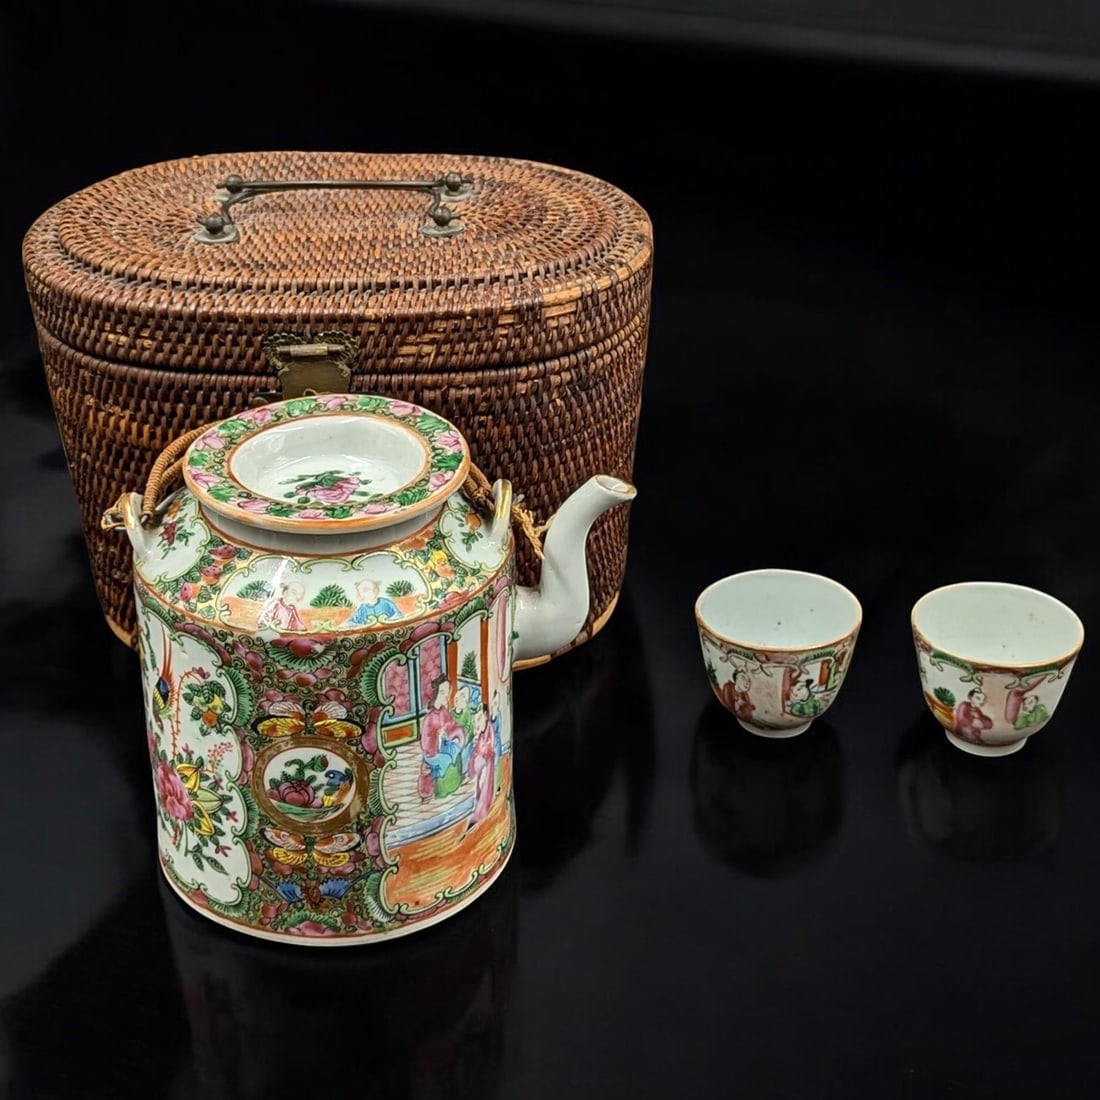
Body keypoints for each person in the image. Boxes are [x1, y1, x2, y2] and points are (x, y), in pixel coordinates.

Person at [418, 677, 466, 799]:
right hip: (432, 752)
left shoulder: (444, 711)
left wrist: (456, 734)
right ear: (436, 693)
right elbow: (425, 742)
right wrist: (438, 736)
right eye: (443, 692)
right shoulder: (430, 717)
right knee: (447, 760)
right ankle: (439, 787)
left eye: (447, 692)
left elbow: (451, 725)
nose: (446, 696)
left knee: (456, 751)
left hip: (444, 745)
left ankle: (454, 782)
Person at [467, 707, 496, 830]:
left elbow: (490, 744)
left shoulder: (489, 727)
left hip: (487, 761)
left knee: (484, 784)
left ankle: (480, 813)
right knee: (479, 785)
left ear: (485, 714)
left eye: (480, 716)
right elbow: (478, 747)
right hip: (483, 760)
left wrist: (482, 750)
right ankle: (479, 809)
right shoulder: (482, 731)